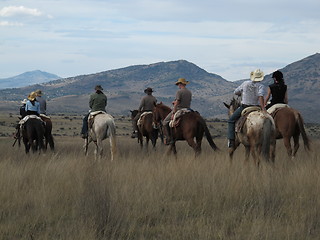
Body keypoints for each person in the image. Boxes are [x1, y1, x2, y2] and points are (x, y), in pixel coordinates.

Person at [227, 69, 266, 148]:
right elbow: (260, 96)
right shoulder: (261, 86)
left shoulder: (245, 83)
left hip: (245, 107)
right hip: (256, 107)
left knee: (231, 120)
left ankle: (231, 140)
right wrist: (263, 109)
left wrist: (241, 92)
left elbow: (236, 92)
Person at [163, 78, 192, 145]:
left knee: (165, 122)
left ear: (181, 84)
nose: (178, 85)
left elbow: (178, 101)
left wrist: (173, 111)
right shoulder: (189, 92)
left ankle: (168, 138)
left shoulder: (179, 92)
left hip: (180, 109)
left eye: (178, 84)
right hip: (188, 109)